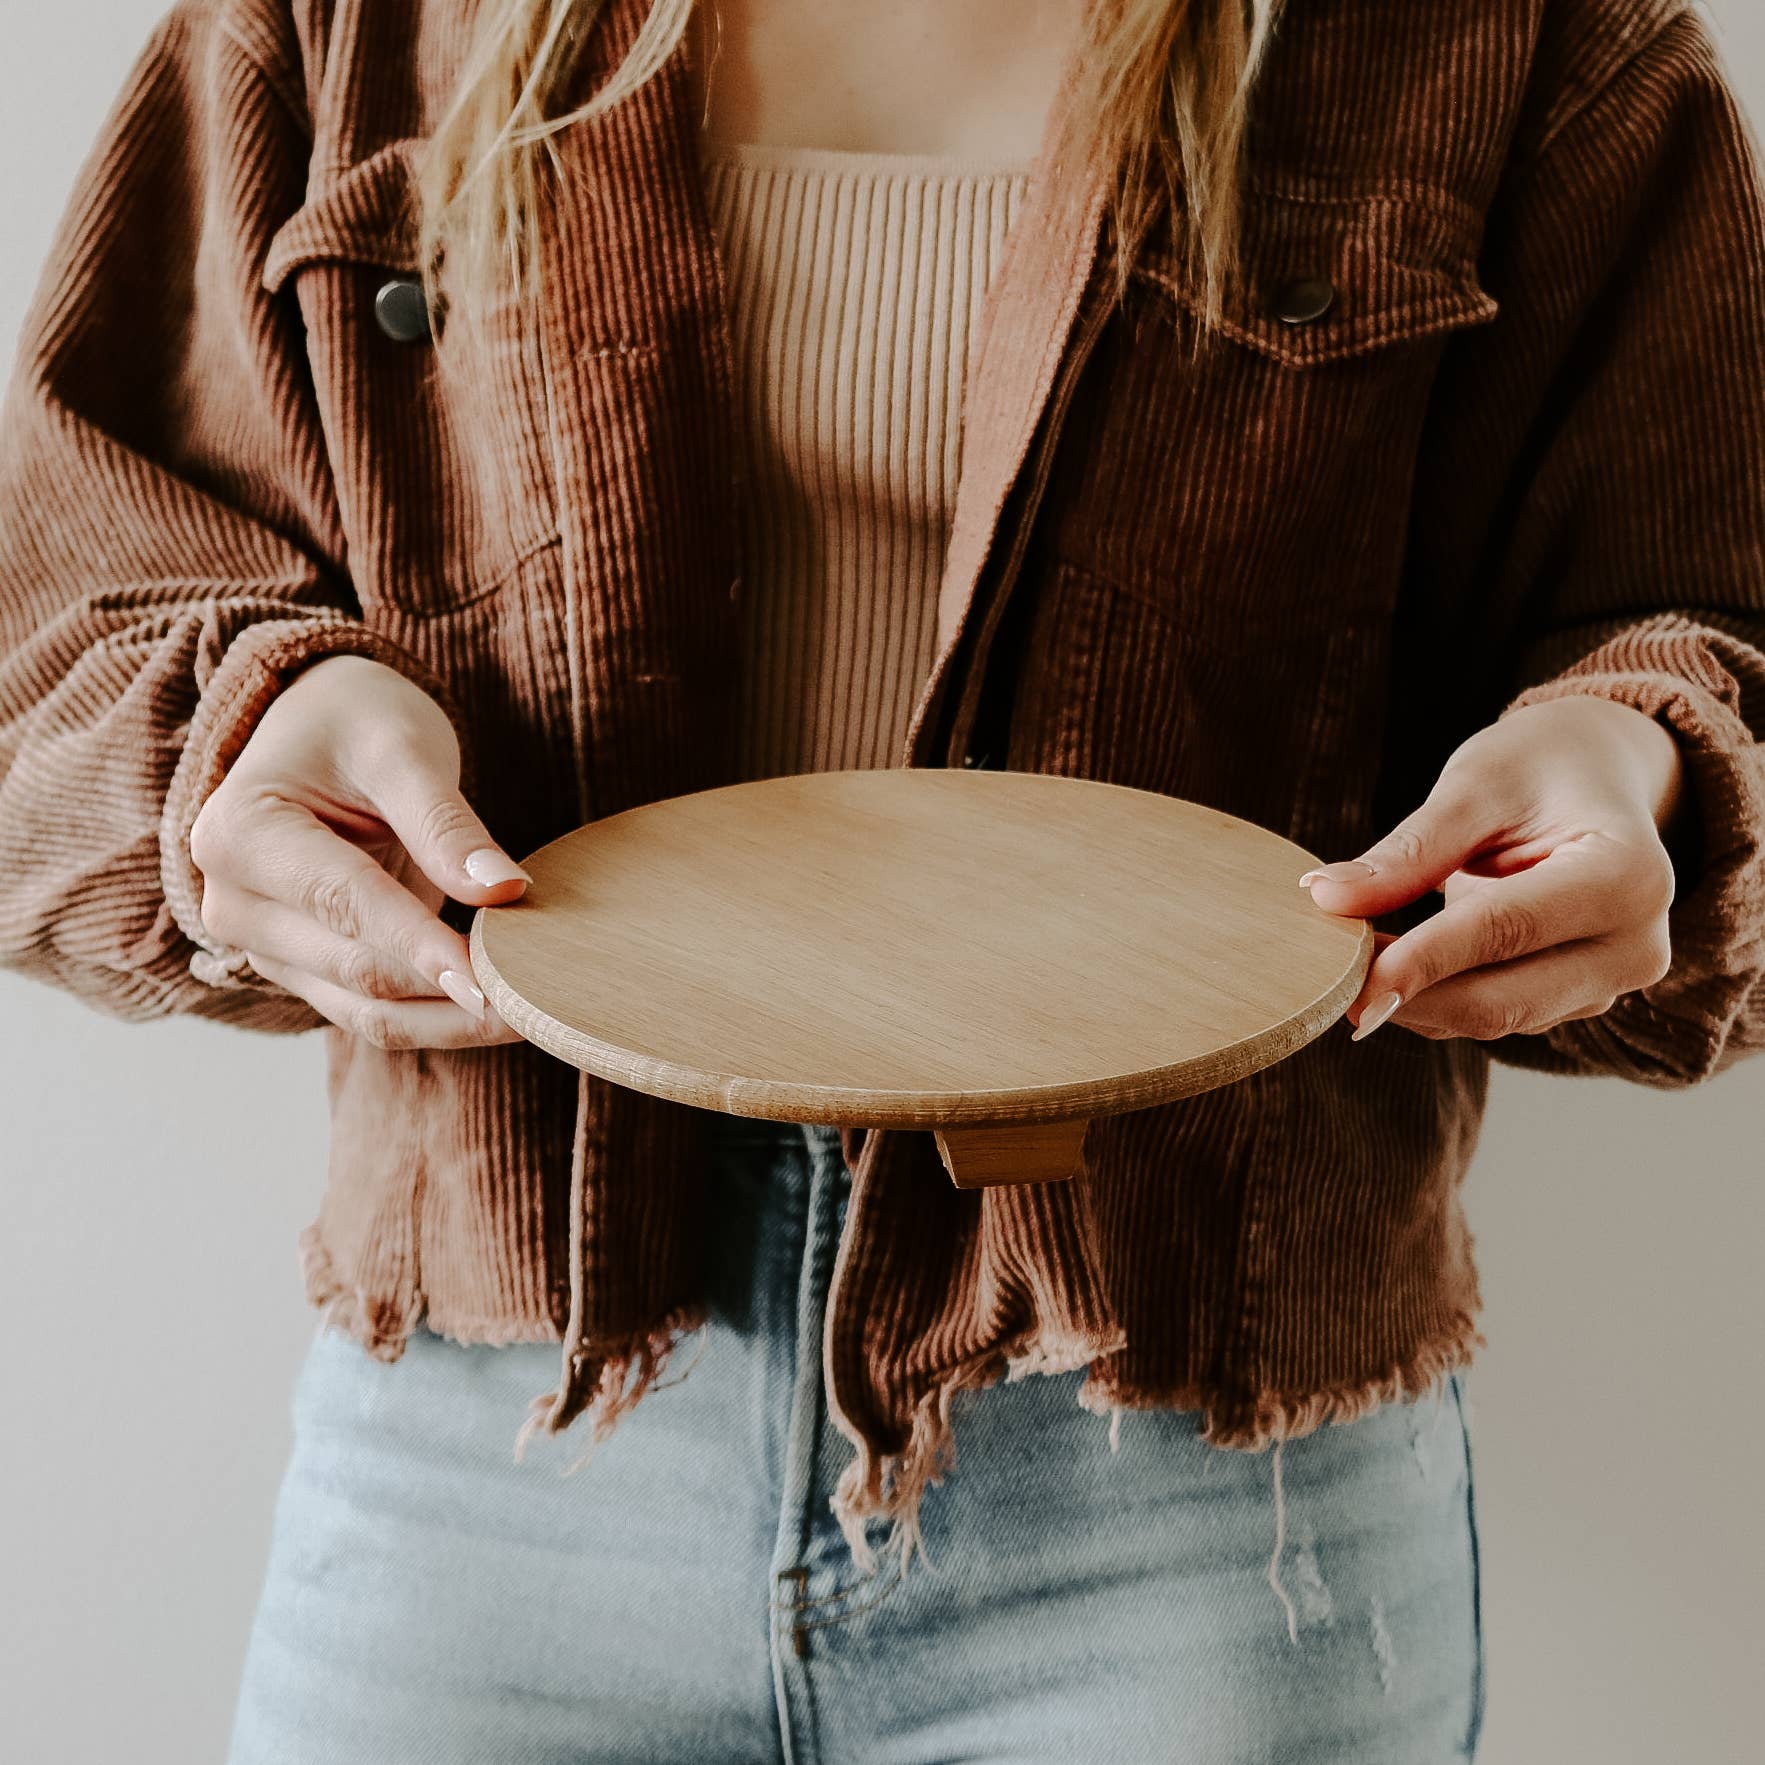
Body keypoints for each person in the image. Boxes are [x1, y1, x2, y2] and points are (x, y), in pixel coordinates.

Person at [2, 0, 1762, 1758]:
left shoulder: (1510, 41)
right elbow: (52, 621)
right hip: (502, 1410)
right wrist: (243, 730)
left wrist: (1646, 758)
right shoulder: (343, 29)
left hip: (1199, 1463)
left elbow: (1701, 622)